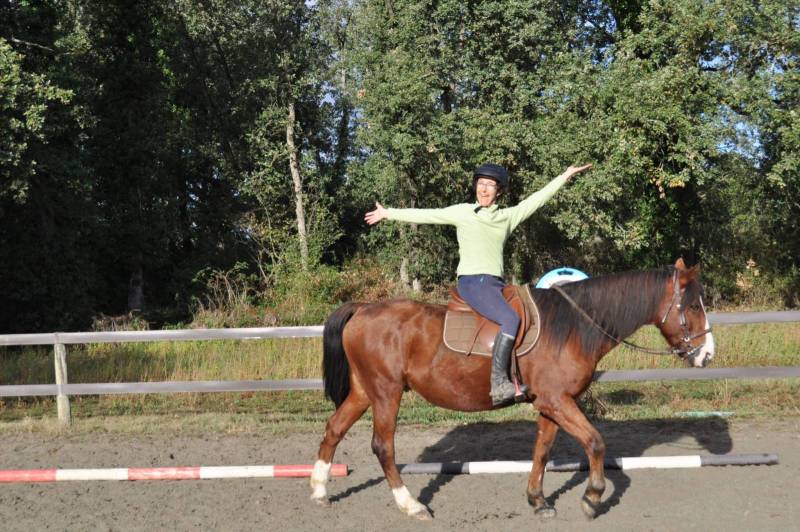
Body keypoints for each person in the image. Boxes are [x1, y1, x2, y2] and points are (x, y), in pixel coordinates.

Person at [365, 162, 592, 406]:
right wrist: (388, 213)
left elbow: (536, 200)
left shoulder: (507, 217)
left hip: (496, 285)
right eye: (481, 183)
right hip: (473, 283)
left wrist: (564, 176)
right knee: (510, 319)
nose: (484, 189)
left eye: (490, 185)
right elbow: (427, 214)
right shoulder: (463, 212)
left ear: (498, 191)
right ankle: (499, 383)